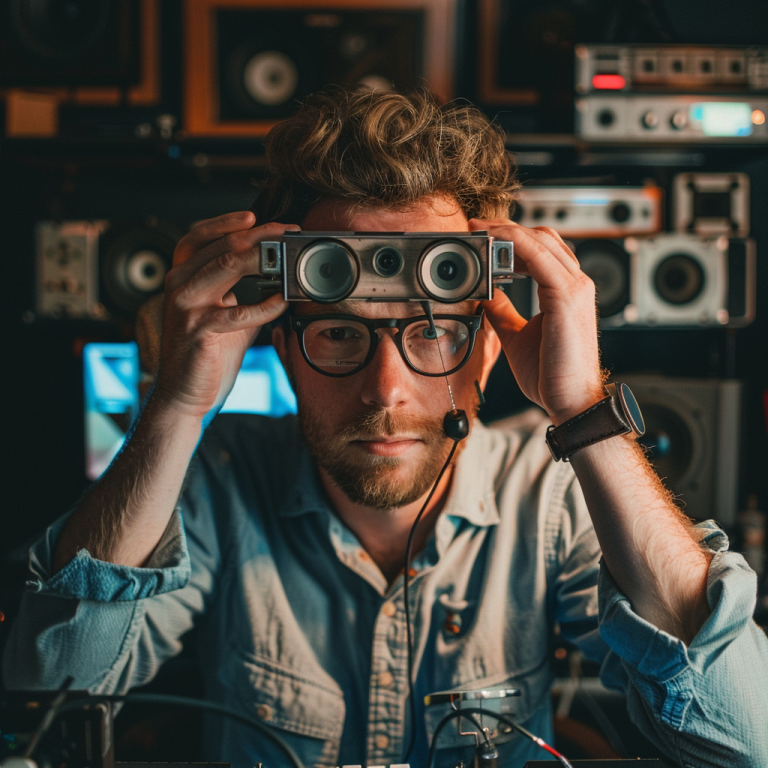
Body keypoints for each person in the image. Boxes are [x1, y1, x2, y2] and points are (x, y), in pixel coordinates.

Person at [3, 89, 767, 768]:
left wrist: (582, 413)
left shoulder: (548, 495)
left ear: (490, 345)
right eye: (337, 334)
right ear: (282, 349)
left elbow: (741, 740)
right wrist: (175, 405)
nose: (386, 390)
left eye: (433, 331)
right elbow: (50, 693)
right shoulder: (223, 477)